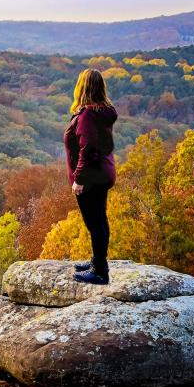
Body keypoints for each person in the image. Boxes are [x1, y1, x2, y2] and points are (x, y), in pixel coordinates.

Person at [64, 68, 117, 285]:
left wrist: (79, 178)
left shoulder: (87, 116)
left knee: (95, 223)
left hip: (92, 177)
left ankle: (100, 272)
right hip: (103, 172)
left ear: (82, 87)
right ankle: (97, 262)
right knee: (100, 220)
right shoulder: (102, 112)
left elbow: (88, 148)